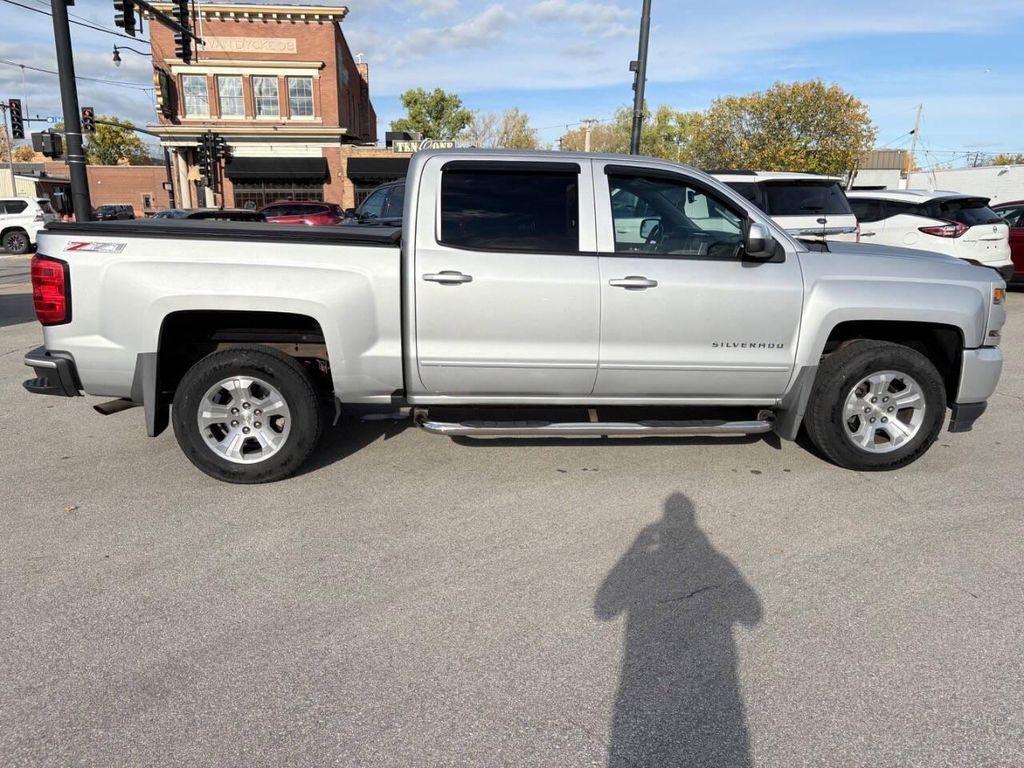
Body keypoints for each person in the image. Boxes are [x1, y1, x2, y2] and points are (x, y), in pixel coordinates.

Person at [595, 493, 762, 767]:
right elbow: (752, 615)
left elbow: (604, 609)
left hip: (640, 681)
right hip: (718, 686)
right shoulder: (716, 560)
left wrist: (634, 551)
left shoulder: (655, 556)